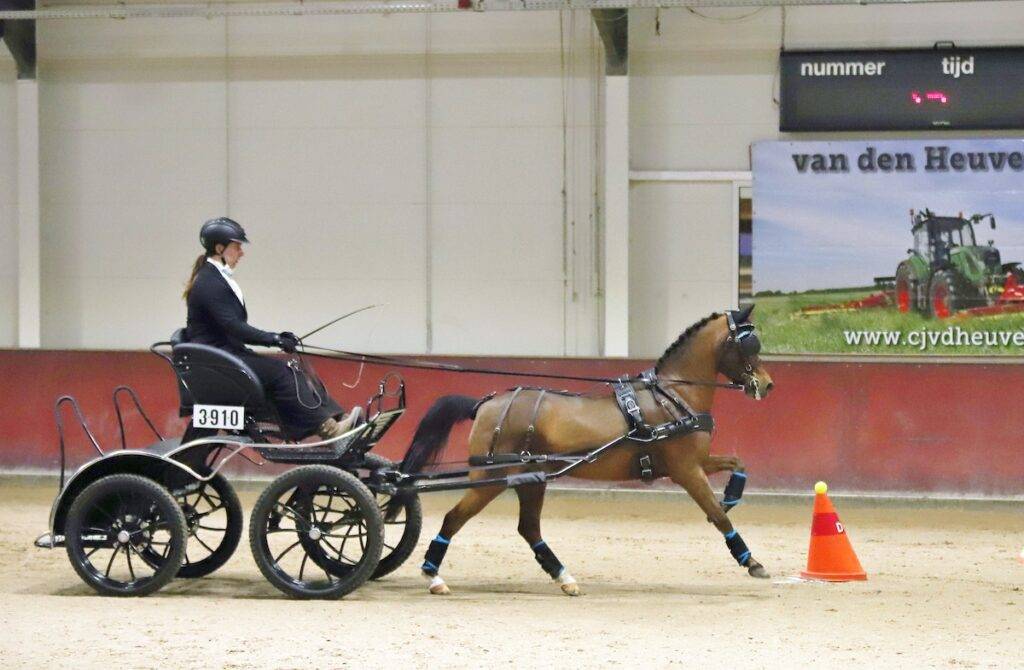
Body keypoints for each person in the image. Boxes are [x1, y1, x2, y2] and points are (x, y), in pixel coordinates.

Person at [182, 217, 361, 440]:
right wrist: (274, 339)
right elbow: (235, 327)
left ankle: (336, 418)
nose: (241, 253)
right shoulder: (209, 283)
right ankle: (330, 430)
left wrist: (277, 338)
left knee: (293, 370)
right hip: (218, 362)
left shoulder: (215, 278)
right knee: (281, 373)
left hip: (226, 355)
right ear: (220, 249)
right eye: (237, 246)